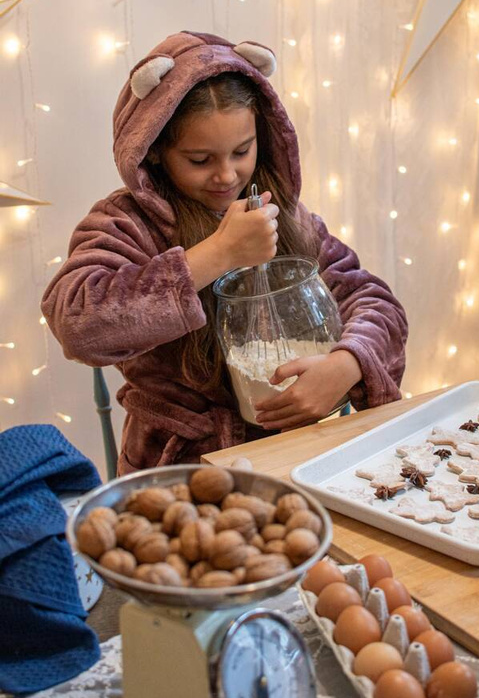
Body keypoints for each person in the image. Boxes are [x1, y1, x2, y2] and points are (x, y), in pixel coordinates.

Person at [41, 31, 408, 475]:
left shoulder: (282, 213)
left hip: (304, 451)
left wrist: (348, 363)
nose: (226, 174)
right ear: (154, 151)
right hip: (180, 469)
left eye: (241, 151)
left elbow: (373, 301)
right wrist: (215, 255)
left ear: (263, 136)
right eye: (200, 159)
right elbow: (78, 323)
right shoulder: (127, 224)